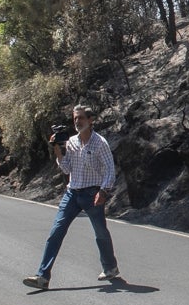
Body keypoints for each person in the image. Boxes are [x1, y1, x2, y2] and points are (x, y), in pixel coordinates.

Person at [22, 104, 120, 289]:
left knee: (100, 232)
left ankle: (110, 267)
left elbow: (110, 170)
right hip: (72, 193)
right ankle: (42, 277)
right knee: (56, 232)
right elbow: (67, 169)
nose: (77, 121)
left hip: (92, 193)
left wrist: (103, 191)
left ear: (90, 120)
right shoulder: (72, 142)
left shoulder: (100, 143)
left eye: (81, 118)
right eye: (75, 118)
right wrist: (58, 151)